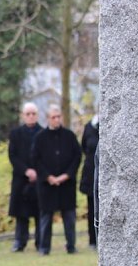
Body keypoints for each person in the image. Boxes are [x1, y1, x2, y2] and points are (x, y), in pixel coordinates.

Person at [32, 104, 81, 255]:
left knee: (69, 217)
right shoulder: (40, 138)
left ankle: (71, 245)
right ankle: (44, 247)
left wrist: (67, 175)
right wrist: (48, 177)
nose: (57, 120)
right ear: (48, 119)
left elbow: (77, 157)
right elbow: (35, 159)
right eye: (53, 117)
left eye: (59, 117)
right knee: (46, 216)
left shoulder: (69, 136)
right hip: (47, 184)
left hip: (67, 183)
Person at [8, 102, 43, 252]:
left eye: (33, 114)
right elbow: (12, 155)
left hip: (40, 177)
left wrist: (37, 171)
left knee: (39, 211)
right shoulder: (16, 133)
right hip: (21, 178)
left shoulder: (43, 132)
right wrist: (26, 170)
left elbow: (45, 155)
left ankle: (40, 241)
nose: (30, 116)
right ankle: (20, 241)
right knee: (21, 213)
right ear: (23, 115)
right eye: (27, 114)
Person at [80, 113, 99, 249]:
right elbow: (84, 147)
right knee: (92, 207)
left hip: (106, 173)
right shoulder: (89, 127)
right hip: (91, 173)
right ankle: (93, 239)